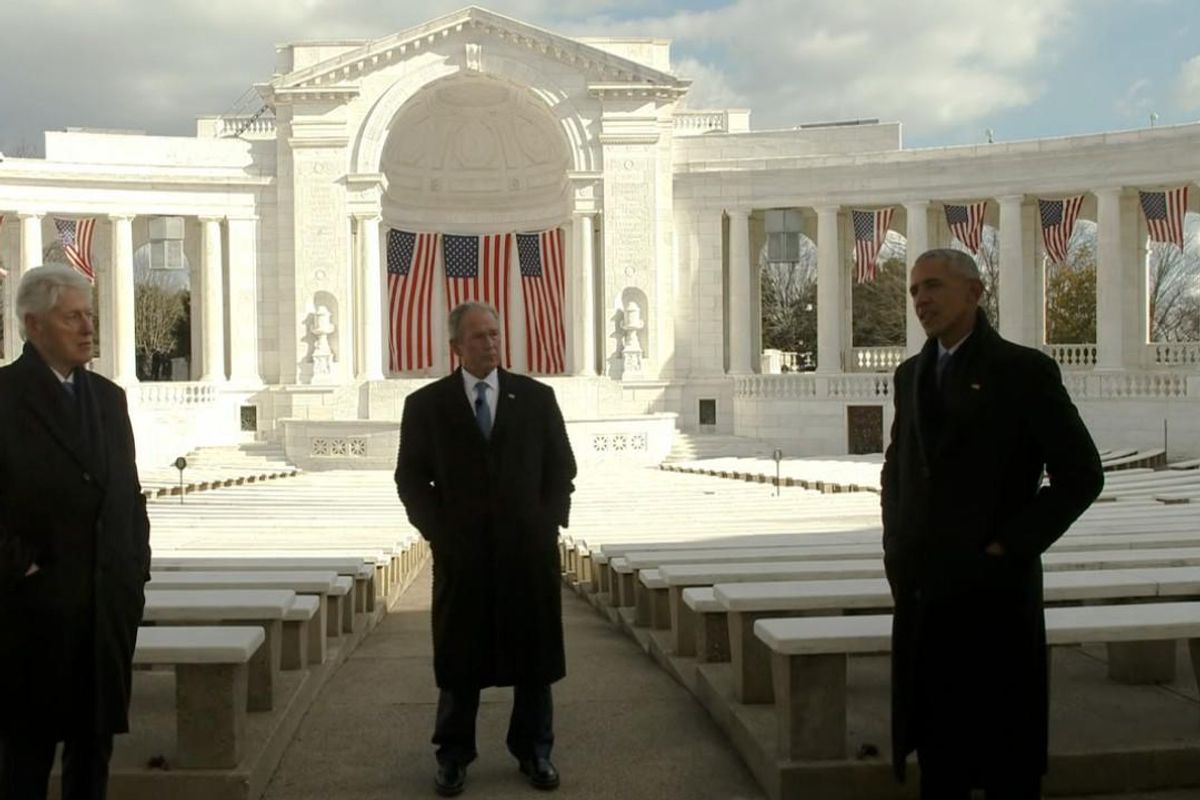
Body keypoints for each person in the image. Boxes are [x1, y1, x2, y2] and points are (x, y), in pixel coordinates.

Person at [881, 249, 1103, 799]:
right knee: (939, 761)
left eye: (932, 286)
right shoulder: (909, 375)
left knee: (1007, 762)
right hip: (925, 596)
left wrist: (1009, 547)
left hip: (994, 597)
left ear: (975, 293)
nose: (921, 300)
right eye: (913, 291)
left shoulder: (1023, 371)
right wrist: (896, 550)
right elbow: (897, 470)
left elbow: (1081, 474)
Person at [395, 302, 576, 796]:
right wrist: (439, 532)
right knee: (460, 660)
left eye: (495, 334)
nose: (490, 343)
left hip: (527, 555)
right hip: (464, 557)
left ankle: (535, 750)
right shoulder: (426, 405)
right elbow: (410, 478)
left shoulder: (537, 398)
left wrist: (547, 524)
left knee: (533, 659)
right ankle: (453, 755)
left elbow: (562, 469)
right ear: (456, 346)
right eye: (478, 336)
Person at [0, 264, 151, 800]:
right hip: (31, 615)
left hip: (104, 610)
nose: (89, 328)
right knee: (24, 761)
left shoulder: (109, 399)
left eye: (90, 315)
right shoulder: (5, 395)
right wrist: (20, 567)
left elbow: (129, 497)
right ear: (33, 324)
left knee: (93, 761)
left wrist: (135, 575)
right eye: (73, 318)